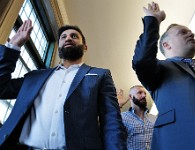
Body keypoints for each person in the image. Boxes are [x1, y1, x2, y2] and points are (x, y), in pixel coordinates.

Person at [0, 20, 127, 150]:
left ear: (85, 47)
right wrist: (13, 47)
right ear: (59, 45)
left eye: (74, 36)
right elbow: (2, 89)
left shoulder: (100, 75)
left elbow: (111, 121)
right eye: (63, 37)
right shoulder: (35, 77)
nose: (68, 39)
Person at [132, 2, 195, 150]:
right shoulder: (158, 69)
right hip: (180, 142)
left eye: (190, 32)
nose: (192, 34)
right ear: (166, 45)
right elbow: (141, 60)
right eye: (183, 32)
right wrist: (152, 21)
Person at [121, 85, 156, 150]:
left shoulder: (154, 118)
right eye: (140, 93)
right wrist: (119, 106)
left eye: (145, 93)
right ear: (130, 97)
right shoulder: (122, 117)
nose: (144, 95)